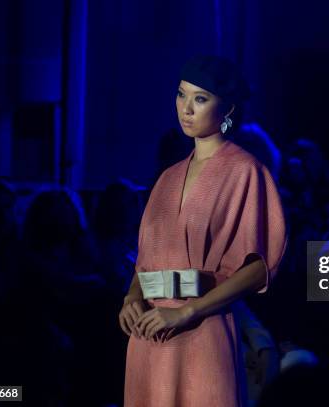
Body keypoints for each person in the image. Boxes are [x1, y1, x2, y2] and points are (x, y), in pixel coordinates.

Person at [120, 55, 287, 407]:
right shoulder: (167, 178)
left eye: (200, 98)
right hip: (149, 331)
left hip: (202, 327)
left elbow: (259, 267)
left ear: (227, 109)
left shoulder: (245, 171)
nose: (186, 108)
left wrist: (187, 311)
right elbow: (145, 262)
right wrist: (131, 297)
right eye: (181, 95)